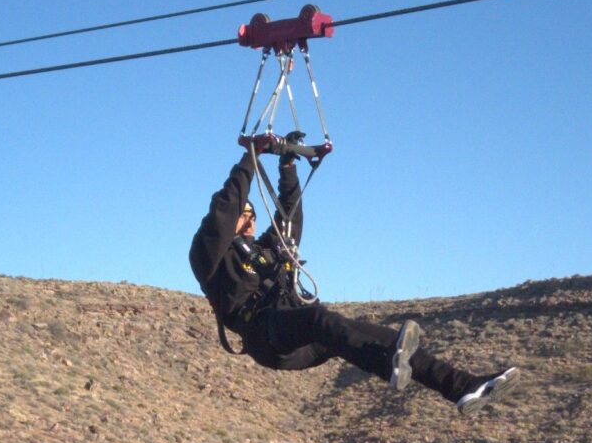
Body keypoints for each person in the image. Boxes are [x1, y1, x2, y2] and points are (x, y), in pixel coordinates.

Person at [190, 135, 516, 411]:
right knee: (319, 318)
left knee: (370, 338)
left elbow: (290, 216)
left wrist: (287, 165)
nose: (249, 219)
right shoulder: (210, 256)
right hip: (266, 336)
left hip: (300, 335)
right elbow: (224, 209)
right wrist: (250, 156)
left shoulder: (266, 249)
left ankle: (460, 386)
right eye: (243, 213)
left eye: (252, 214)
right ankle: (392, 363)